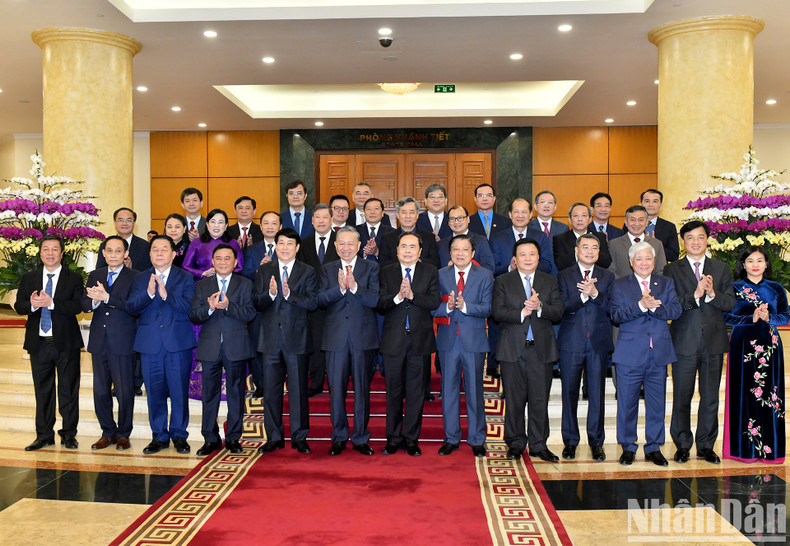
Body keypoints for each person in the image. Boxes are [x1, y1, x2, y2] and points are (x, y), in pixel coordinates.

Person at [665, 221, 736, 465]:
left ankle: (706, 444)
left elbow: (730, 303)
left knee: (710, 396)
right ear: (683, 241)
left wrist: (713, 294)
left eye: (700, 237)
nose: (696, 242)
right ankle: (682, 444)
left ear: (708, 240)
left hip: (713, 343)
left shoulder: (721, 268)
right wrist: (694, 296)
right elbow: (670, 305)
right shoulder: (671, 269)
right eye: (690, 237)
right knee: (682, 396)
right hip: (684, 342)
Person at [609, 241, 681, 466]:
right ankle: (628, 447)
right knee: (627, 404)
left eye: (648, 258)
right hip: (629, 355)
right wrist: (640, 306)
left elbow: (676, 310)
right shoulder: (620, 285)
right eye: (638, 259)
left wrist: (655, 307)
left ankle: (654, 447)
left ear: (654, 261)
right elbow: (615, 315)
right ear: (631, 263)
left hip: (658, 353)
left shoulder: (666, 283)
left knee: (657, 403)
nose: (643, 263)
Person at [492, 237, 563, 462]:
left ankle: (539, 445)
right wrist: (523, 312)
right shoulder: (502, 281)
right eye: (522, 254)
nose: (527, 258)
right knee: (514, 400)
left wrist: (540, 307)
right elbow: (497, 313)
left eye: (531, 254)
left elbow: (559, 311)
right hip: (512, 349)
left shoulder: (549, 281)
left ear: (538, 257)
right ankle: (515, 443)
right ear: (515, 258)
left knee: (539, 399)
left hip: (540, 350)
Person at [127, 235, 197, 455]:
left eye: (164, 249)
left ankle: (179, 435)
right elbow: (131, 307)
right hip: (150, 345)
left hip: (177, 344)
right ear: (149, 254)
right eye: (154, 249)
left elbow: (190, 308)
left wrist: (167, 296)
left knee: (178, 392)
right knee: (154, 392)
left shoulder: (185, 278)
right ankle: (159, 436)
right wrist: (149, 294)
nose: (159, 253)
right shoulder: (139, 278)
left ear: (174, 253)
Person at [14, 235, 84, 451]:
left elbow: (77, 306)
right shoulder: (29, 278)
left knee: (68, 390)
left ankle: (69, 434)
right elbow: (19, 306)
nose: (50, 253)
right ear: (40, 253)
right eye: (46, 249)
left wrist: (51, 303)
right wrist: (33, 305)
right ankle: (44, 435)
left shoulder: (73, 278)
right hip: (39, 343)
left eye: (55, 249)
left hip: (66, 343)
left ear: (62, 253)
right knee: (42, 390)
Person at [254, 228, 318, 455]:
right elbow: (256, 302)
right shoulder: (264, 270)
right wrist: (270, 295)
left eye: (289, 243)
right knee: (271, 391)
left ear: (297, 247)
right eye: (280, 243)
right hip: (271, 339)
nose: (284, 247)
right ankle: (274, 436)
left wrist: (290, 294)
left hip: (297, 339)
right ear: (275, 245)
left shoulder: (307, 271)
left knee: (298, 390)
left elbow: (313, 302)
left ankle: (299, 436)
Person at [317, 227, 380, 456]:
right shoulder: (327, 269)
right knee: (336, 390)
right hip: (335, 338)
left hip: (362, 337)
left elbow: (375, 300)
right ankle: (339, 436)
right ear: (335, 246)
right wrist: (340, 289)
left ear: (358, 245)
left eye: (350, 244)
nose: (346, 248)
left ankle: (361, 437)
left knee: (362, 389)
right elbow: (320, 300)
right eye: (341, 244)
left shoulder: (371, 267)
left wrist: (354, 287)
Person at [378, 232, 441, 456]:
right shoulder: (386, 271)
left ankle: (412, 439)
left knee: (416, 393)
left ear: (420, 251)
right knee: (393, 392)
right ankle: (393, 438)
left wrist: (413, 296)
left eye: (412, 246)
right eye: (403, 246)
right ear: (396, 250)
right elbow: (380, 303)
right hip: (393, 340)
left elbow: (434, 301)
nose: (407, 250)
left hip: (419, 341)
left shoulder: (430, 271)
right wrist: (398, 297)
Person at [190, 244, 256, 457]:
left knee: (236, 392)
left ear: (235, 262)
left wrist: (228, 306)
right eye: (218, 258)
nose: (223, 262)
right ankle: (210, 438)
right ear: (213, 261)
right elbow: (194, 315)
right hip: (210, 346)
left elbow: (250, 313)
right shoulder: (203, 285)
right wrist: (209, 308)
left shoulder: (245, 284)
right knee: (210, 394)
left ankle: (234, 437)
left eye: (227, 258)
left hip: (235, 346)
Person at [724, 246, 788, 463]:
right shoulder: (734, 287)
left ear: (766, 264)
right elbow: (725, 317)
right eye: (750, 261)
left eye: (759, 260)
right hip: (742, 345)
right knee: (745, 394)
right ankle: (745, 450)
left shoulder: (776, 288)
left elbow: (786, 316)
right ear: (743, 264)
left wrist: (769, 318)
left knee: (771, 396)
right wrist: (750, 318)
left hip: (770, 345)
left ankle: (771, 450)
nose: (755, 265)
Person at [432, 234, 493, 457]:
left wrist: (466, 306)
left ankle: (477, 438)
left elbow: (488, 308)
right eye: (455, 249)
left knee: (475, 391)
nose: (460, 253)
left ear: (472, 253)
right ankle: (451, 438)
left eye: (464, 249)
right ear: (450, 253)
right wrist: (447, 308)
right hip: (448, 341)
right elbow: (432, 308)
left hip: (474, 342)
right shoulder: (440, 275)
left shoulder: (485, 275)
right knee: (448, 391)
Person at [557, 233, 614, 462]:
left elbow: (613, 308)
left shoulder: (607, 276)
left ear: (599, 252)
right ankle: (570, 441)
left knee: (597, 394)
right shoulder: (564, 275)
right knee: (569, 393)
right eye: (585, 247)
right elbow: (560, 308)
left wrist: (596, 294)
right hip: (571, 343)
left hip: (598, 343)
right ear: (576, 250)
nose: (589, 251)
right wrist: (583, 297)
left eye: (594, 248)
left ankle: (596, 442)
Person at [81, 236, 139, 452]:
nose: (113, 255)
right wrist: (94, 300)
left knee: (124, 391)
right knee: (101, 391)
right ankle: (107, 431)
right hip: (99, 342)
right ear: (103, 253)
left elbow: (134, 307)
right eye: (109, 251)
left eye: (118, 251)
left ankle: (124, 433)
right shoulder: (95, 275)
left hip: (123, 341)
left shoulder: (136, 276)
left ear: (125, 254)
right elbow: (84, 303)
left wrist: (107, 297)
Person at [182, 209, 244, 399]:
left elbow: (240, 266)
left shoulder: (233, 243)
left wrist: (221, 270)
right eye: (213, 222)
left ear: (226, 225)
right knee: (202, 336)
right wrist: (202, 273)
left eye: (221, 222)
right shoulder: (197, 242)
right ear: (206, 224)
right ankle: (197, 385)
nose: (216, 225)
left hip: (227, 291)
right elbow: (185, 266)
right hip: (202, 291)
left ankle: (228, 387)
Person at [297, 204, 339, 397]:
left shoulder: (341, 242)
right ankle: (315, 384)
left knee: (335, 345)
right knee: (314, 345)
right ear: (311, 221)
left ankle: (335, 383)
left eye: (325, 217)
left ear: (331, 219)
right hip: (312, 303)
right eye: (317, 218)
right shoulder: (303, 244)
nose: (321, 221)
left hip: (336, 301)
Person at [240, 210, 281, 398]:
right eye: (266, 223)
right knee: (256, 346)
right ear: (261, 226)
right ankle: (261, 384)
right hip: (257, 305)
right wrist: (260, 269)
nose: (270, 226)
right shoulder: (253, 249)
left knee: (278, 347)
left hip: (280, 307)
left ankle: (277, 383)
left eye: (274, 223)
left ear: (280, 227)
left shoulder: (287, 247)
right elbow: (245, 275)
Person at [490, 198, 554, 277]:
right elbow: (493, 268)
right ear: (510, 214)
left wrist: (529, 266)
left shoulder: (541, 237)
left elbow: (547, 265)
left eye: (524, 212)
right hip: (507, 285)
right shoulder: (497, 238)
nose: (520, 216)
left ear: (530, 214)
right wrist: (510, 268)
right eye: (516, 212)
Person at [378, 197, 440, 269]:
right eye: (404, 212)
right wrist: (404, 261)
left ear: (417, 215)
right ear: (398, 215)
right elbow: (382, 264)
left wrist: (417, 260)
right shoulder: (387, 238)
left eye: (411, 212)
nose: (408, 216)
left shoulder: (429, 237)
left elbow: (436, 263)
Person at [608, 205, 666, 278]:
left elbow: (661, 271)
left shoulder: (657, 244)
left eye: (641, 220)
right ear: (626, 222)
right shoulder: (614, 244)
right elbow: (611, 271)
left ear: (647, 223)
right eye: (632, 220)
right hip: (623, 287)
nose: (636, 224)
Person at [553, 203, 611, 272]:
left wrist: (593, 248)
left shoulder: (599, 237)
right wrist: (579, 251)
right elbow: (561, 265)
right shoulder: (560, 239)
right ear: (569, 219)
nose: (580, 219)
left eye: (584, 215)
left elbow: (606, 262)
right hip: (571, 278)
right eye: (576, 216)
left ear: (590, 219)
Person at [437, 205, 495, 273]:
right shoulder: (441, 244)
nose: (456, 222)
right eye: (452, 219)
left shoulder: (481, 241)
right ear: (449, 222)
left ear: (468, 219)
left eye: (460, 218)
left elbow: (489, 268)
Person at [95, 207, 151, 271]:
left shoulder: (145, 246)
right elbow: (99, 270)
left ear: (134, 223)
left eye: (129, 220)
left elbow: (148, 271)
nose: (124, 223)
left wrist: (131, 268)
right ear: (114, 223)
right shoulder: (106, 244)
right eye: (120, 220)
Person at [640, 189, 680, 262]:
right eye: (647, 201)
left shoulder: (669, 227)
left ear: (661, 206)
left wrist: (657, 245)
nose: (651, 204)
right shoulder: (632, 224)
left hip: (660, 271)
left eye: (655, 201)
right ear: (640, 205)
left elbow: (674, 256)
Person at [356, 197, 394, 262]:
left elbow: (393, 257)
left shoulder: (392, 233)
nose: (372, 212)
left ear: (382, 213)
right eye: (369, 209)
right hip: (360, 270)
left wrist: (377, 253)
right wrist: (364, 254)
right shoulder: (354, 231)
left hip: (383, 270)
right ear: (364, 213)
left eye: (376, 209)